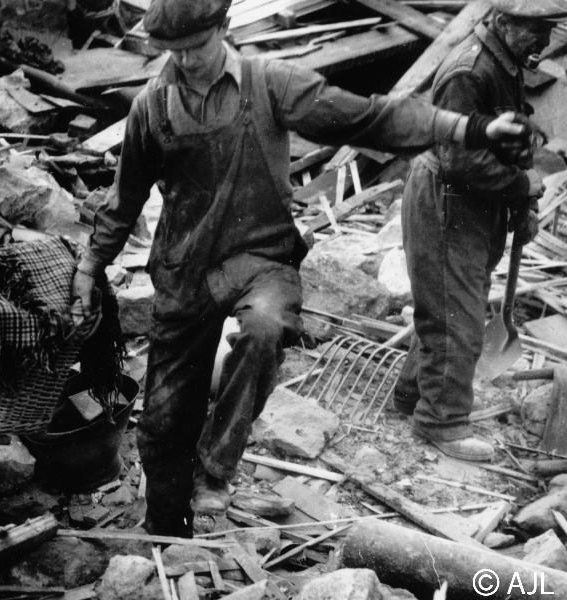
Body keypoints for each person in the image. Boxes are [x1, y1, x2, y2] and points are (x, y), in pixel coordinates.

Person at [71, 0, 530, 537]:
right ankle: (170, 530)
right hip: (185, 272)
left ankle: (215, 473)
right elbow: (125, 198)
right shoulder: (151, 106)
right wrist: (89, 266)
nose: (186, 61)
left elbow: (368, 117)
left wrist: (471, 129)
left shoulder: (271, 84)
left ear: (223, 29)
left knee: (265, 328)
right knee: (164, 422)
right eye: (173, 51)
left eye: (197, 47)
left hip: (262, 262)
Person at [394, 0, 567, 463]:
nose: (545, 41)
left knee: (451, 304)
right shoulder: (469, 71)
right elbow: (460, 159)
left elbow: (508, 142)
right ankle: (442, 421)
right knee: (457, 316)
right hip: (448, 200)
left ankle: (412, 396)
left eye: (549, 30)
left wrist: (522, 202)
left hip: (474, 203)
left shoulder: (505, 61)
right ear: (505, 21)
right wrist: (521, 186)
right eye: (538, 29)